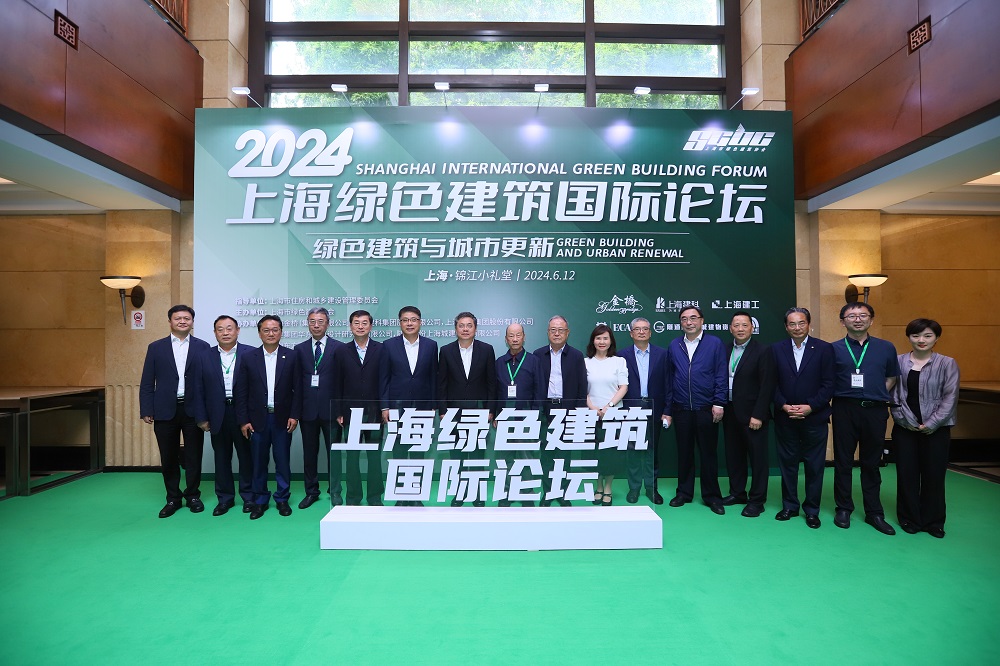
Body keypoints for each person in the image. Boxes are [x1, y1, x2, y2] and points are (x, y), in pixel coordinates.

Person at [831, 302, 900, 535]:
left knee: (871, 463)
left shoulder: (886, 347)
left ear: (871, 319)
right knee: (843, 461)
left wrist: (873, 393)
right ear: (843, 322)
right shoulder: (833, 349)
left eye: (863, 315)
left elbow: (891, 377)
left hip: (875, 410)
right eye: (851, 316)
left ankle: (874, 512)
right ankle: (843, 508)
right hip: (844, 409)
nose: (858, 319)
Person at [139, 304, 211, 518]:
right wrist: (146, 408)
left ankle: (193, 496)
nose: (182, 321)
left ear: (192, 322)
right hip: (164, 409)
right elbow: (147, 381)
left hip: (193, 410)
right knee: (168, 456)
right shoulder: (156, 347)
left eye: (186, 318)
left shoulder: (203, 347)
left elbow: (208, 381)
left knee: (193, 455)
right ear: (170, 321)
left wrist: (206, 412)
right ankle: (173, 498)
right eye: (178, 318)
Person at [889, 318, 959, 538]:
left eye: (928, 336)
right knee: (906, 474)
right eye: (916, 335)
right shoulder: (898, 362)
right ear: (909, 337)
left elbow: (950, 397)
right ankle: (909, 518)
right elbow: (894, 396)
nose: (921, 340)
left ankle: (934, 521)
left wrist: (932, 423)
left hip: (937, 429)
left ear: (936, 338)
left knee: (934, 475)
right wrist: (906, 421)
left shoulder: (947, 363)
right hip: (904, 428)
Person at [771, 308, 834, 529]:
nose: (797, 328)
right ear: (786, 326)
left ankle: (812, 510)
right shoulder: (776, 349)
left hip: (814, 417)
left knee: (814, 466)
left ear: (808, 324)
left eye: (801, 323)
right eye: (792, 324)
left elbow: (829, 384)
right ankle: (789, 506)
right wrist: (783, 405)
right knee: (787, 465)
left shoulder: (824, 349)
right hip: (785, 416)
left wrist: (811, 406)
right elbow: (771, 383)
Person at [234, 315, 301, 520]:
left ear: (281, 332)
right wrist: (244, 420)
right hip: (257, 420)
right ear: (259, 333)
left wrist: (294, 415)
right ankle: (260, 500)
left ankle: (282, 499)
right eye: (266, 330)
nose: (271, 333)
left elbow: (298, 390)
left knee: (282, 462)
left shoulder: (292, 356)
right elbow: (241, 391)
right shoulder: (248, 357)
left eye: (275, 330)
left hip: (282, 419)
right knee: (258, 462)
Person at [664, 306, 728, 515]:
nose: (689, 322)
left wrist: (719, 402)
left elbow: (721, 374)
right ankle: (684, 493)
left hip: (706, 408)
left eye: (693, 318)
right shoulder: (675, 345)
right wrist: (668, 409)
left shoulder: (714, 343)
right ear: (680, 323)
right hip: (681, 408)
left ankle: (712, 496)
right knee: (684, 453)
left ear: (702, 321)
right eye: (684, 319)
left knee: (708, 454)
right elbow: (669, 379)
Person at [192, 315, 255, 516]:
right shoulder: (204, 356)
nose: (225, 333)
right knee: (221, 458)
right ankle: (225, 499)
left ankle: (249, 497)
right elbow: (198, 389)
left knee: (246, 457)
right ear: (215, 333)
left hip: (243, 413)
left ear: (238, 331)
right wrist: (201, 417)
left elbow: (257, 388)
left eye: (229, 328)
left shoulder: (251, 353)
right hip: (217, 414)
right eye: (220, 329)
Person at [380, 306, 438, 505]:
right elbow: (384, 378)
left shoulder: (431, 345)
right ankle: (400, 495)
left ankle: (416, 495)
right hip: (397, 407)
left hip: (422, 407)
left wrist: (433, 405)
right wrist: (385, 407)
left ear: (420, 322)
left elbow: (433, 377)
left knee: (418, 453)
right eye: (405, 320)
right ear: (400, 323)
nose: (409, 323)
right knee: (399, 452)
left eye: (413, 319)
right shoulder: (388, 345)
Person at [437, 311, 496, 506]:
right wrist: (443, 410)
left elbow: (491, 383)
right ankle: (459, 494)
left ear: (475, 329)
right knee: (458, 455)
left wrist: (490, 409)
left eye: (469, 325)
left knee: (477, 454)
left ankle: (477, 495)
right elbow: (442, 383)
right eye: (461, 325)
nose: (465, 329)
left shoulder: (486, 350)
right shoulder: (446, 351)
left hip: (479, 412)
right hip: (454, 412)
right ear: (455, 329)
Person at [721, 311, 776, 517]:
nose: (740, 329)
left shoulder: (763, 351)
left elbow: (767, 385)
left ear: (752, 328)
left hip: (753, 414)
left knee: (758, 459)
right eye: (736, 325)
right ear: (730, 328)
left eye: (745, 325)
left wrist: (759, 414)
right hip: (730, 411)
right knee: (734, 456)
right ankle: (737, 493)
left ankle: (757, 500)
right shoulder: (725, 349)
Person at [533, 315, 588, 506]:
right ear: (548, 332)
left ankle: (562, 493)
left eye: (561, 330)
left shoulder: (576, 356)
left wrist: (579, 412)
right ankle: (548, 492)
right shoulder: (538, 354)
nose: (557, 333)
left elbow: (582, 386)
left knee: (564, 455)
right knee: (546, 454)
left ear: (567, 332)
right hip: (546, 409)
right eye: (553, 330)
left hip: (568, 409)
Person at [293, 307, 344, 509]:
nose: (316, 325)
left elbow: (341, 382)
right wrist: (296, 412)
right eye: (312, 321)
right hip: (308, 411)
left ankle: (335, 490)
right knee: (309, 454)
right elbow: (296, 383)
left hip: (332, 411)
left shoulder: (339, 348)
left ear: (328, 324)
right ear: (307, 323)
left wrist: (340, 410)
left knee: (334, 454)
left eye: (320, 321)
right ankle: (311, 491)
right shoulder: (299, 349)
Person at [333, 310, 385, 506]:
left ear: (371, 326)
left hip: (374, 412)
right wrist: (338, 411)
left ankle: (374, 497)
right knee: (352, 457)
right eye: (356, 323)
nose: (360, 326)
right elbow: (336, 382)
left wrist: (384, 408)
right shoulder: (341, 351)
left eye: (364, 323)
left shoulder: (381, 349)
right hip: (350, 413)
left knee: (374, 456)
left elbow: (385, 381)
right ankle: (353, 497)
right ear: (350, 326)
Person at [618, 317, 668, 505]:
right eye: (637, 329)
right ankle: (634, 488)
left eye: (645, 329)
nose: (641, 332)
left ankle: (651, 488)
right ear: (631, 333)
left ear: (650, 332)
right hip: (630, 408)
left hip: (655, 407)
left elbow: (668, 384)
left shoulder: (662, 354)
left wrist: (667, 410)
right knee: (632, 450)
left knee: (652, 451)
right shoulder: (621, 356)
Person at [495, 323, 545, 507]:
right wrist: (497, 415)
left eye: (518, 335)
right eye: (511, 336)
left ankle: (527, 493)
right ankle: (507, 492)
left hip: (527, 417)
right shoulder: (500, 362)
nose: (515, 339)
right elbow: (495, 391)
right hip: (505, 418)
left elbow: (540, 390)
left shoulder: (533, 361)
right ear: (506, 339)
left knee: (527, 457)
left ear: (524, 337)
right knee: (505, 458)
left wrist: (536, 415)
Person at [584, 325, 629, 505]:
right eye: (598, 338)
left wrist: (609, 406)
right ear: (593, 341)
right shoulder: (585, 362)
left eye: (605, 338)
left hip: (613, 414)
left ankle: (608, 487)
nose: (601, 342)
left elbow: (623, 387)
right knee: (595, 453)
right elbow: (582, 389)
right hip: (591, 414)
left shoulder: (619, 361)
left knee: (611, 453)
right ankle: (598, 487)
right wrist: (593, 408)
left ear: (611, 341)